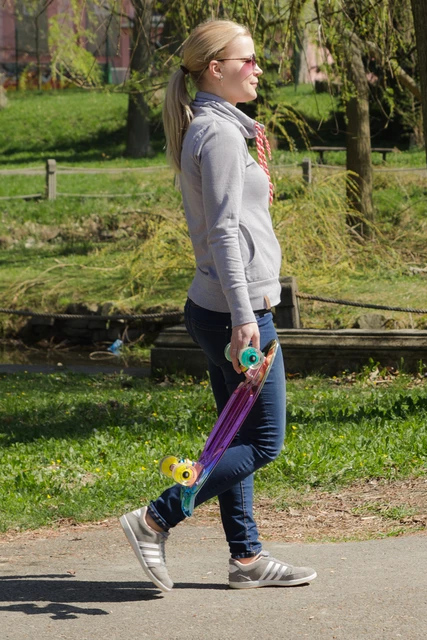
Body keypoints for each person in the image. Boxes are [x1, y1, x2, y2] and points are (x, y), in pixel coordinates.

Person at [119, 19, 316, 592]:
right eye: (248, 60)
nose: (258, 69)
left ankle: (247, 558)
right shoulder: (223, 135)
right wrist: (244, 319)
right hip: (238, 310)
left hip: (217, 305)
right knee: (264, 441)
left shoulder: (207, 127)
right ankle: (156, 517)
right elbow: (225, 232)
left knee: (235, 437)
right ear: (215, 69)